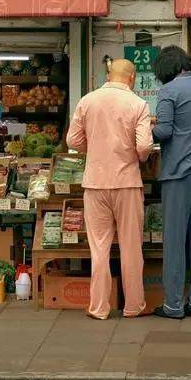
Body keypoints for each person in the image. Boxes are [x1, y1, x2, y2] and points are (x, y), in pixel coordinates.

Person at [66, 59, 154, 320]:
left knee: (99, 247)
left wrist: (93, 150)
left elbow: (72, 140)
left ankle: (99, 307)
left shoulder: (87, 100)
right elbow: (145, 147)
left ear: (108, 74)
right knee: (131, 247)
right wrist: (139, 158)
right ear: (132, 77)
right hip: (127, 182)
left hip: (95, 183)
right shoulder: (138, 104)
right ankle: (133, 306)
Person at [149, 46, 191, 319]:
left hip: (179, 173)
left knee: (175, 241)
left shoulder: (169, 91)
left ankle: (173, 305)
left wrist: (141, 126)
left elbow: (164, 131)